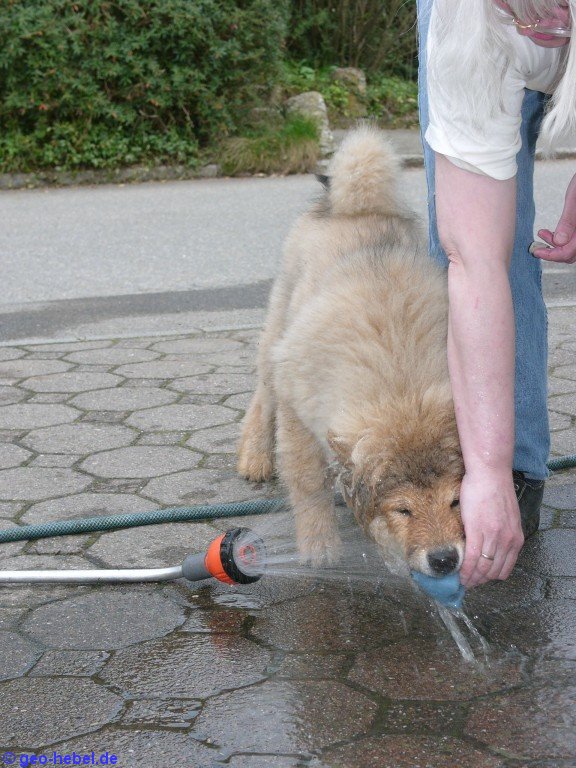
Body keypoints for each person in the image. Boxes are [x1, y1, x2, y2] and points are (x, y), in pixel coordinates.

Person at [417, 0, 576, 588]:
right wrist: (486, 469)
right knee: (482, 247)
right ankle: (506, 480)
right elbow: (475, 259)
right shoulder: (468, 25)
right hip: (483, 37)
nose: (542, 22)